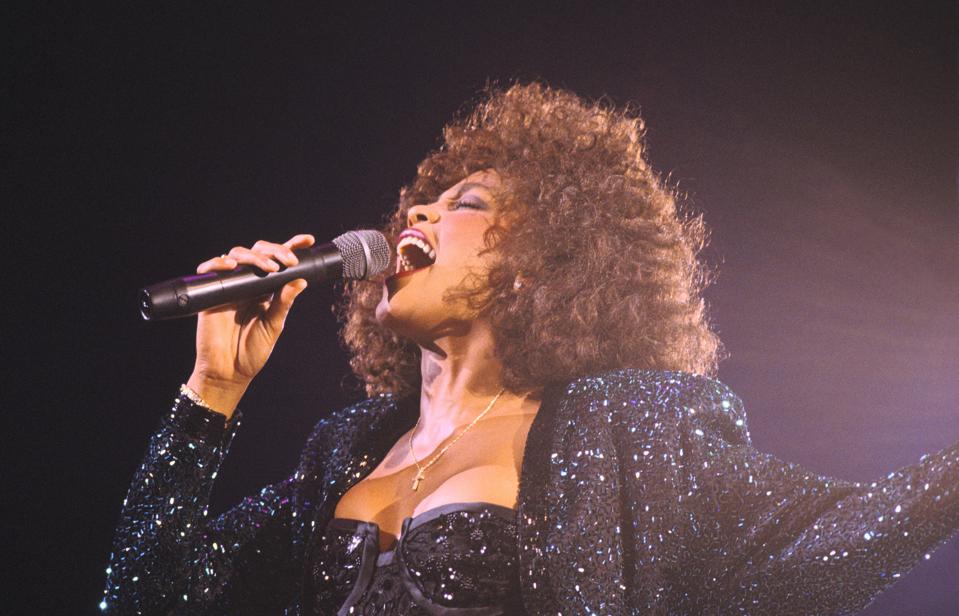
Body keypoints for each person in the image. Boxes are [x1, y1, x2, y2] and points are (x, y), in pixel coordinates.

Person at [101, 83, 959, 615]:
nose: (421, 216)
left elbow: (825, 541)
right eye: (420, 205)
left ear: (547, 258)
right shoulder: (344, 450)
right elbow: (146, 601)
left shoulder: (623, 428)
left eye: (464, 202)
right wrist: (210, 395)